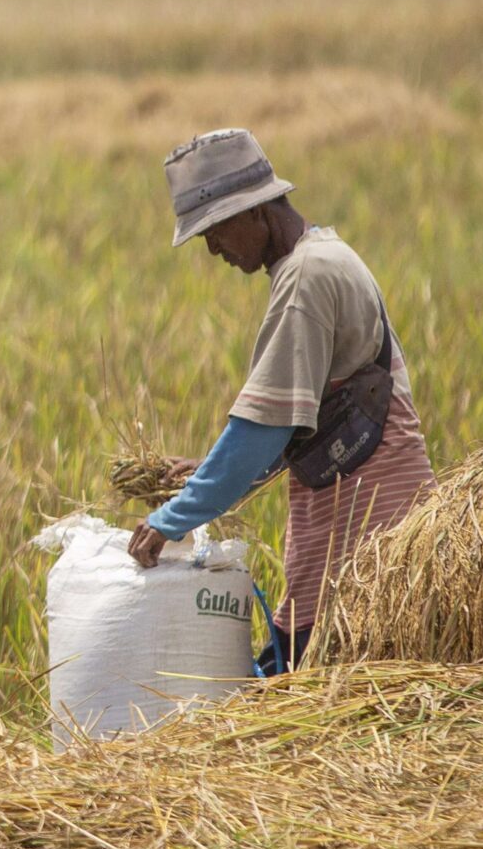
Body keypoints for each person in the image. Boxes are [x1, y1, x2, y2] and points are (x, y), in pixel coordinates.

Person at [128, 129, 436, 672]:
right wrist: (209, 470)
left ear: (255, 211)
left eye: (215, 231)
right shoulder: (321, 256)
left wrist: (173, 517)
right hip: (371, 520)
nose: (213, 249)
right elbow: (299, 420)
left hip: (366, 532)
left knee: (305, 679)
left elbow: (261, 429)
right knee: (297, 675)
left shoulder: (305, 278)